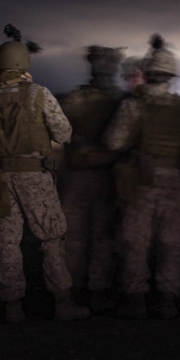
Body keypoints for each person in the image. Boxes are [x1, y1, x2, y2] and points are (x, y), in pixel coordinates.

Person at [0, 27, 89, 324]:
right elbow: (63, 134)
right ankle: (62, 302)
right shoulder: (39, 94)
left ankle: (13, 306)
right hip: (34, 177)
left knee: (6, 242)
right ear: (24, 64)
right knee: (51, 237)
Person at [103, 34, 180, 319]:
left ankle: (136, 299)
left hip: (142, 180)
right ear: (172, 74)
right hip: (173, 181)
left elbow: (113, 142)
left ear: (148, 73)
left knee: (136, 239)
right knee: (172, 240)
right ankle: (168, 298)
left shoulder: (134, 106)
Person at [59, 46, 127, 312]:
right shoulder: (120, 100)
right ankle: (88, 290)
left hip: (90, 173)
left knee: (95, 235)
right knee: (94, 235)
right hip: (98, 173)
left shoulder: (77, 99)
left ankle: (80, 290)